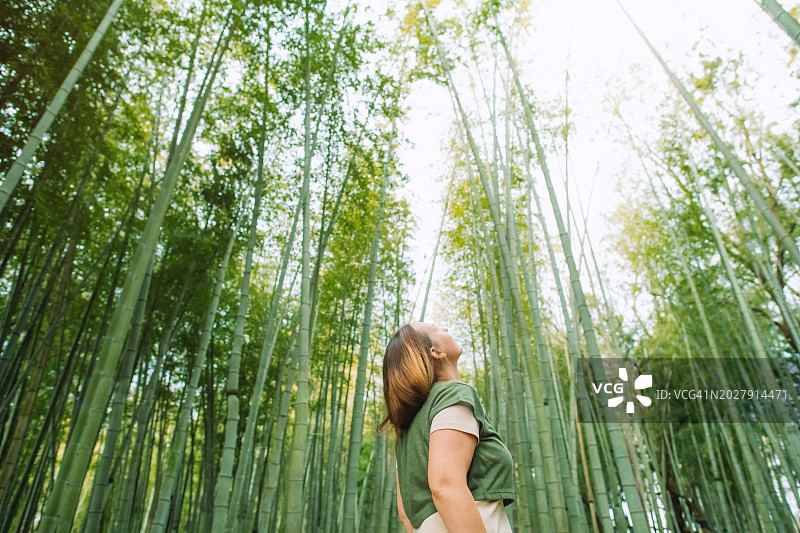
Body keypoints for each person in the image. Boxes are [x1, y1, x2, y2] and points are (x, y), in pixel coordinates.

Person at [378, 322, 516, 533]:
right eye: (436, 329)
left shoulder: (407, 427)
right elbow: (445, 485)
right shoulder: (451, 395)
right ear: (436, 351)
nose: (446, 329)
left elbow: (405, 514)